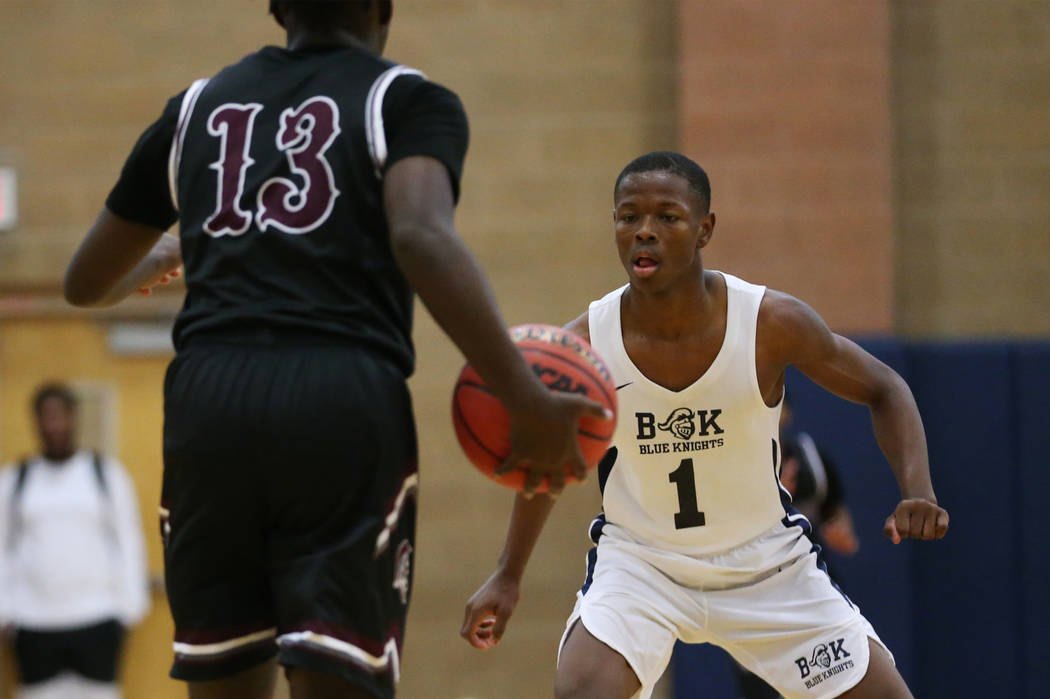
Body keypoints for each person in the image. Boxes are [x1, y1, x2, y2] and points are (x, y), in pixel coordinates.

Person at [63, 2, 605, 698]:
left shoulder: (195, 107)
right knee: (339, 673)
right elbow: (420, 236)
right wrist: (521, 393)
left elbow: (85, 282)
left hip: (208, 405)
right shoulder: (405, 99)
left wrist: (173, 249)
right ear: (384, 9)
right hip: (337, 396)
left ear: (276, 5)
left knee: (224, 676)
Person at [461, 152, 949, 699]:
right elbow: (544, 464)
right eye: (628, 217)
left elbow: (885, 387)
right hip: (641, 566)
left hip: (767, 565)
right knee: (582, 691)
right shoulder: (585, 346)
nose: (644, 231)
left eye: (667, 217)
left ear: (704, 229)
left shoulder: (770, 323)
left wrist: (918, 489)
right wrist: (508, 573)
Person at [0, 383, 149, 699]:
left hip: (97, 619)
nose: (55, 425)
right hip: (33, 623)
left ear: (74, 418)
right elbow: (3, 548)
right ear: (36, 421)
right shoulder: (15, 479)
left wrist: (129, 608)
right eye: (47, 417)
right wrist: (6, 612)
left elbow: (129, 538)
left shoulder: (105, 474)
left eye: (61, 416)